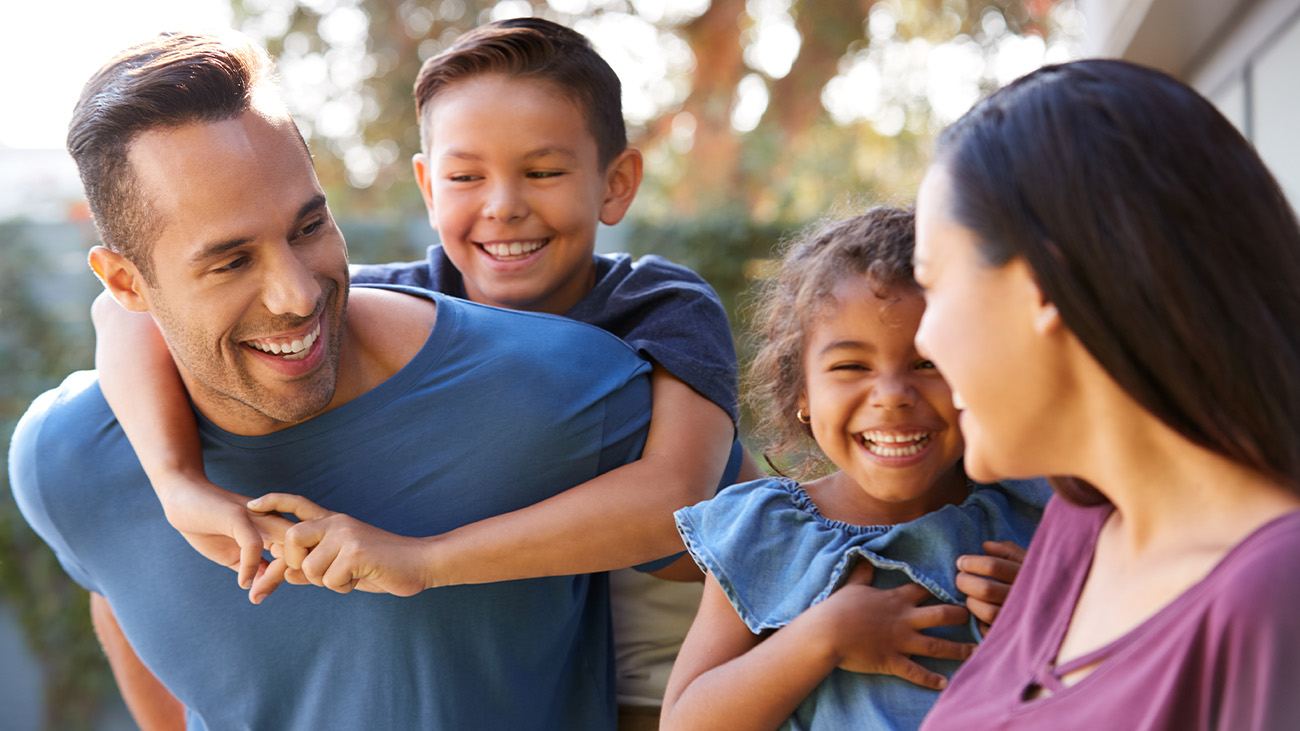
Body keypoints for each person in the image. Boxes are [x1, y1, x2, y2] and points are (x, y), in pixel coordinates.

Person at [88, 18, 756, 725]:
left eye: (544, 171)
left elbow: (679, 499)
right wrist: (177, 483)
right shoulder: (397, 309)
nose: (503, 204)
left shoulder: (659, 305)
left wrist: (423, 559)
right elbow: (124, 312)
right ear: (428, 186)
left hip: (662, 654)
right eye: (466, 176)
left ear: (615, 182)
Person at [913, 59, 1300, 728]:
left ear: (1044, 282)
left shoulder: (1275, 595)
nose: (923, 339)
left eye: (932, 283)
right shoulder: (1078, 525)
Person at [658, 208, 1049, 730]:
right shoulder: (767, 533)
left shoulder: (1034, 512)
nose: (891, 397)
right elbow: (685, 724)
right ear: (802, 392)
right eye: (850, 366)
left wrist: (1048, 615)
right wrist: (824, 637)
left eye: (928, 363)